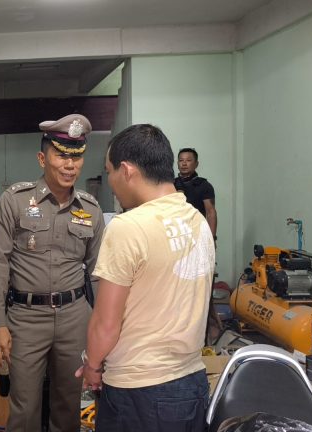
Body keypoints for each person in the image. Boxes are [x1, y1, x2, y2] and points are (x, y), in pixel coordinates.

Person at [77, 124, 215, 432]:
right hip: (192, 383)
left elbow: (106, 324)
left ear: (127, 171)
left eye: (109, 172)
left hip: (138, 390)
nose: (111, 183)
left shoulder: (128, 227)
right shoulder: (197, 221)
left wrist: (92, 365)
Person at [0, 114, 104, 432]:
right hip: (26, 318)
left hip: (75, 317)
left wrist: (101, 328)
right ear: (42, 158)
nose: (70, 165)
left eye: (76, 157)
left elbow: (99, 274)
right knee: (24, 407)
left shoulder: (91, 209)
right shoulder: (14, 202)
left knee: (68, 404)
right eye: (61, 155)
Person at [174, 147, 217, 240]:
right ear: (177, 163)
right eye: (181, 160)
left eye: (188, 160)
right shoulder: (170, 184)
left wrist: (212, 238)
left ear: (196, 164)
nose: (184, 163)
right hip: (175, 234)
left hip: (197, 233)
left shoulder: (204, 185)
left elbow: (210, 212)